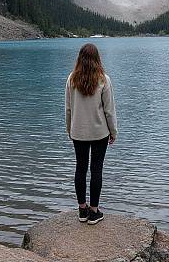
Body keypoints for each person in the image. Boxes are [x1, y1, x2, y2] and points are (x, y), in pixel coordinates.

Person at [65, 43, 118, 225]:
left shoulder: (72, 79)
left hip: (78, 132)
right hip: (99, 132)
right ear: (97, 59)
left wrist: (69, 129)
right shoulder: (104, 79)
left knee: (80, 168)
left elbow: (68, 109)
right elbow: (109, 111)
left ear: (79, 58)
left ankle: (82, 209)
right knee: (96, 169)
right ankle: (94, 212)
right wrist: (113, 131)